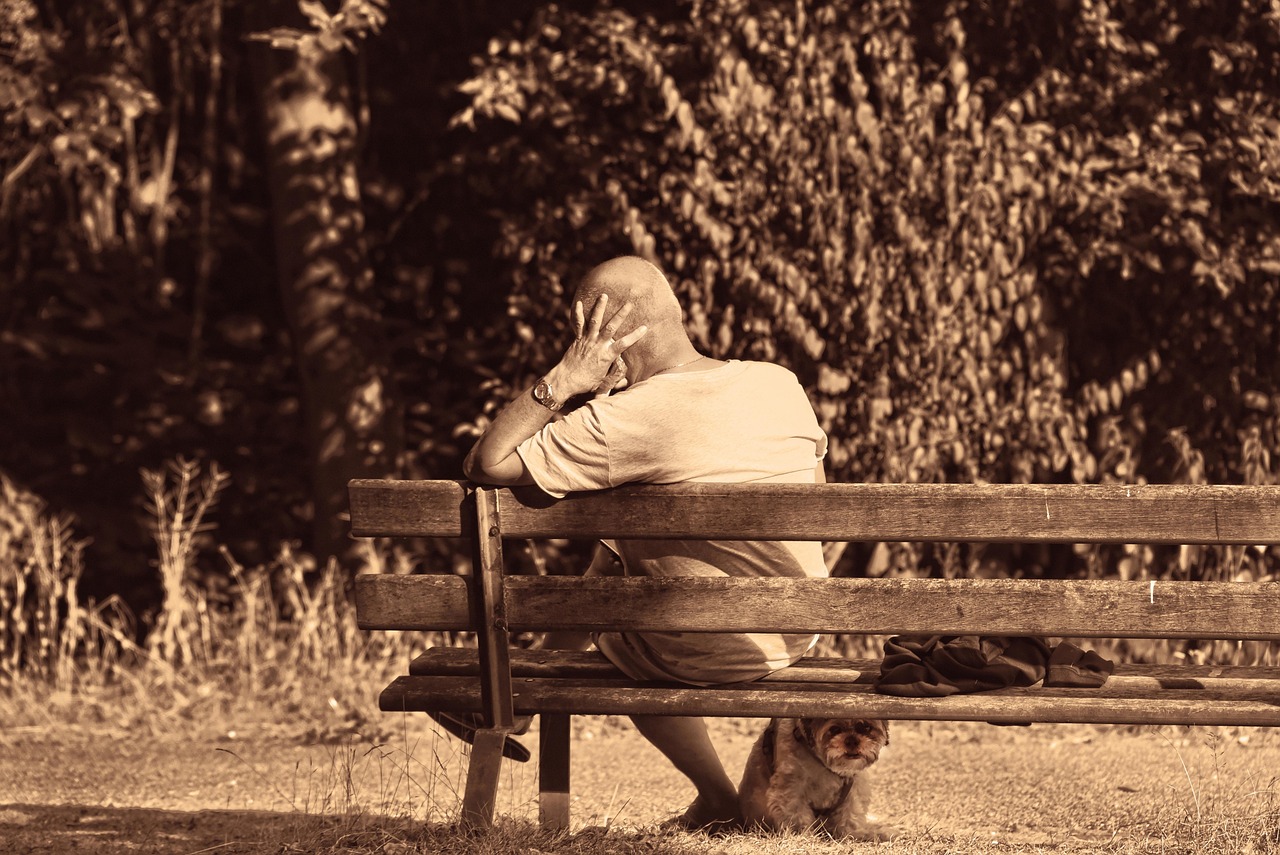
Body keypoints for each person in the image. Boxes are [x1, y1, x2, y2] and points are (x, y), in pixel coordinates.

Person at [460, 255, 829, 831]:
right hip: (793, 633)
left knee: (607, 621)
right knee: (614, 557)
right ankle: (524, 703)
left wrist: (565, 380)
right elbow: (817, 504)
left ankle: (712, 794)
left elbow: (486, 463)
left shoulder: (620, 421)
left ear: (599, 333)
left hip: (699, 653)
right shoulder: (778, 382)